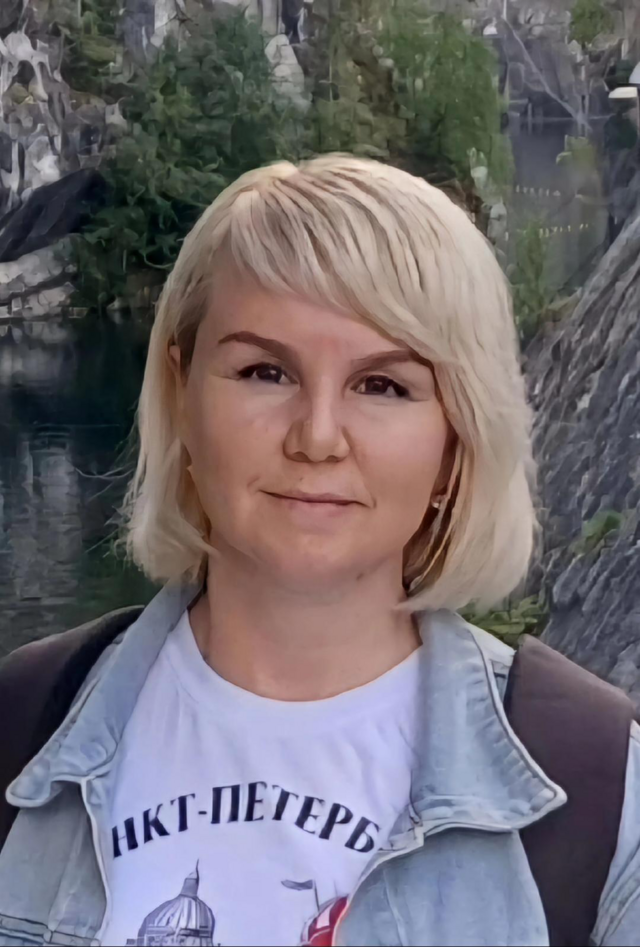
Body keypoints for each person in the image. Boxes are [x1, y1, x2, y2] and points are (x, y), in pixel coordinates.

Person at [0, 154, 639, 947]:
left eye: (383, 385)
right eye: (265, 371)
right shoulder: (22, 726)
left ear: (458, 438)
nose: (318, 436)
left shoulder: (598, 790)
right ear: (182, 394)